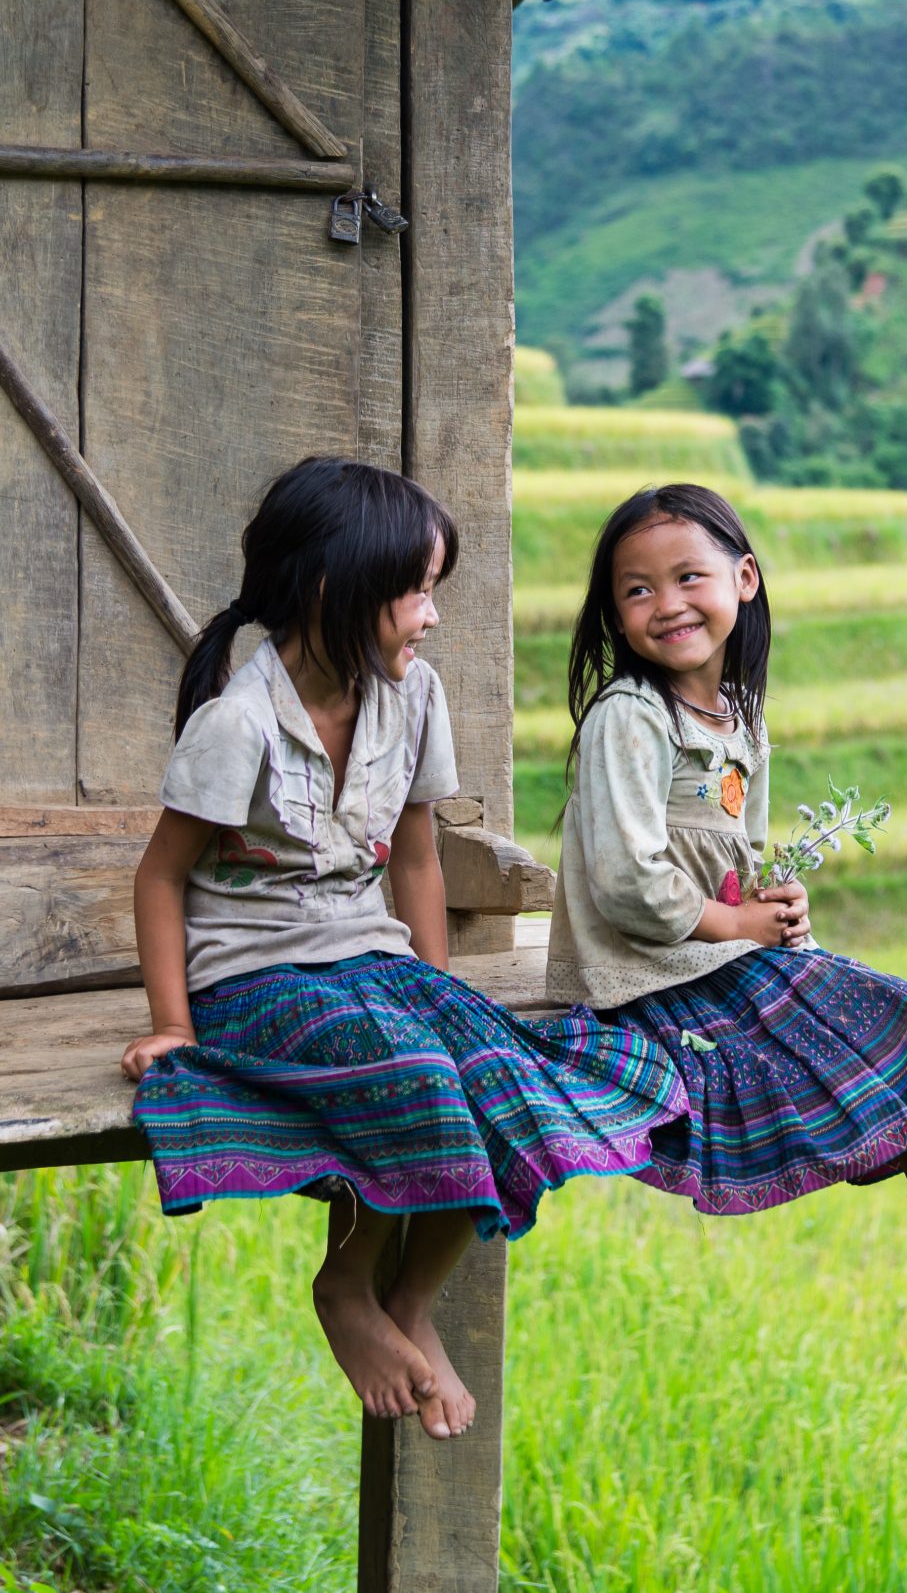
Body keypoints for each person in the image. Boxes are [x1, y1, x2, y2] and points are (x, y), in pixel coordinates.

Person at [119, 457, 684, 1438]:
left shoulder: (413, 697)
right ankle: (346, 1288)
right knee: (417, 1073)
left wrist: (435, 984)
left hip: (371, 956)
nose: (431, 613)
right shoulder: (237, 723)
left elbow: (416, 855)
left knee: (498, 1069)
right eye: (417, 590)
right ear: (336, 592)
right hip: (255, 976)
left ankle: (409, 1300)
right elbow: (161, 875)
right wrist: (172, 1022)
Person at [548, 483, 907, 1319]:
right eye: (637, 590)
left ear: (743, 579)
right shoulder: (629, 717)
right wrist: (739, 923)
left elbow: (738, 858)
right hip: (643, 984)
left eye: (687, 578)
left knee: (885, 1035)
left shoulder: (737, 716)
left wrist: (774, 908)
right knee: (892, 1020)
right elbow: (626, 880)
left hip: (714, 958)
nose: (666, 604)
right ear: (613, 611)